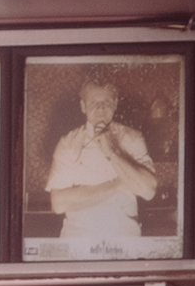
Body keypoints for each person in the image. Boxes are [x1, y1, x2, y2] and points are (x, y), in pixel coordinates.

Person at [46, 73, 159, 242]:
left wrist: (111, 152)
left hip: (124, 241)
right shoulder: (68, 143)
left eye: (106, 102)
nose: (100, 108)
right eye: (93, 103)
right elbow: (59, 203)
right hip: (79, 241)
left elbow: (149, 192)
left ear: (115, 104)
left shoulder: (133, 138)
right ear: (83, 106)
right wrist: (118, 184)